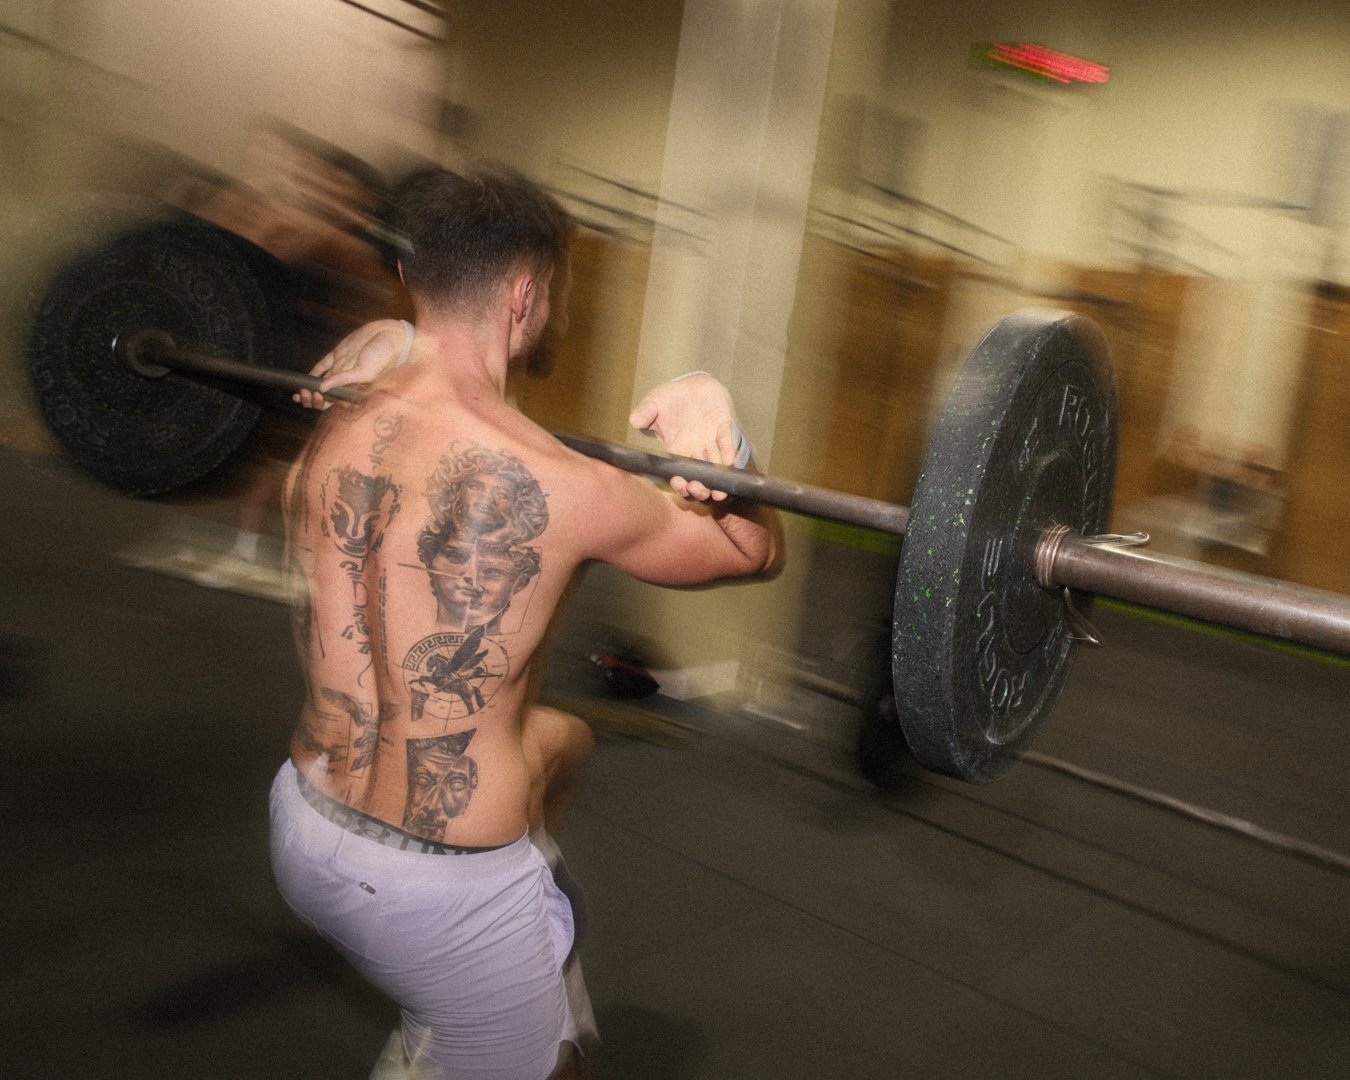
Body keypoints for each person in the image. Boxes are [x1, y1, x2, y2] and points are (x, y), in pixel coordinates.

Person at [269, 167, 782, 1079]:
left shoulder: (341, 416)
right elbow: (751, 554)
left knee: (561, 741)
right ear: (524, 293)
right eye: (557, 296)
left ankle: (469, 1003)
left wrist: (390, 335)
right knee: (559, 1070)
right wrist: (723, 438)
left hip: (303, 824)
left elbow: (420, 379)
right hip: (442, 894)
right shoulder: (566, 487)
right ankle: (457, 1029)